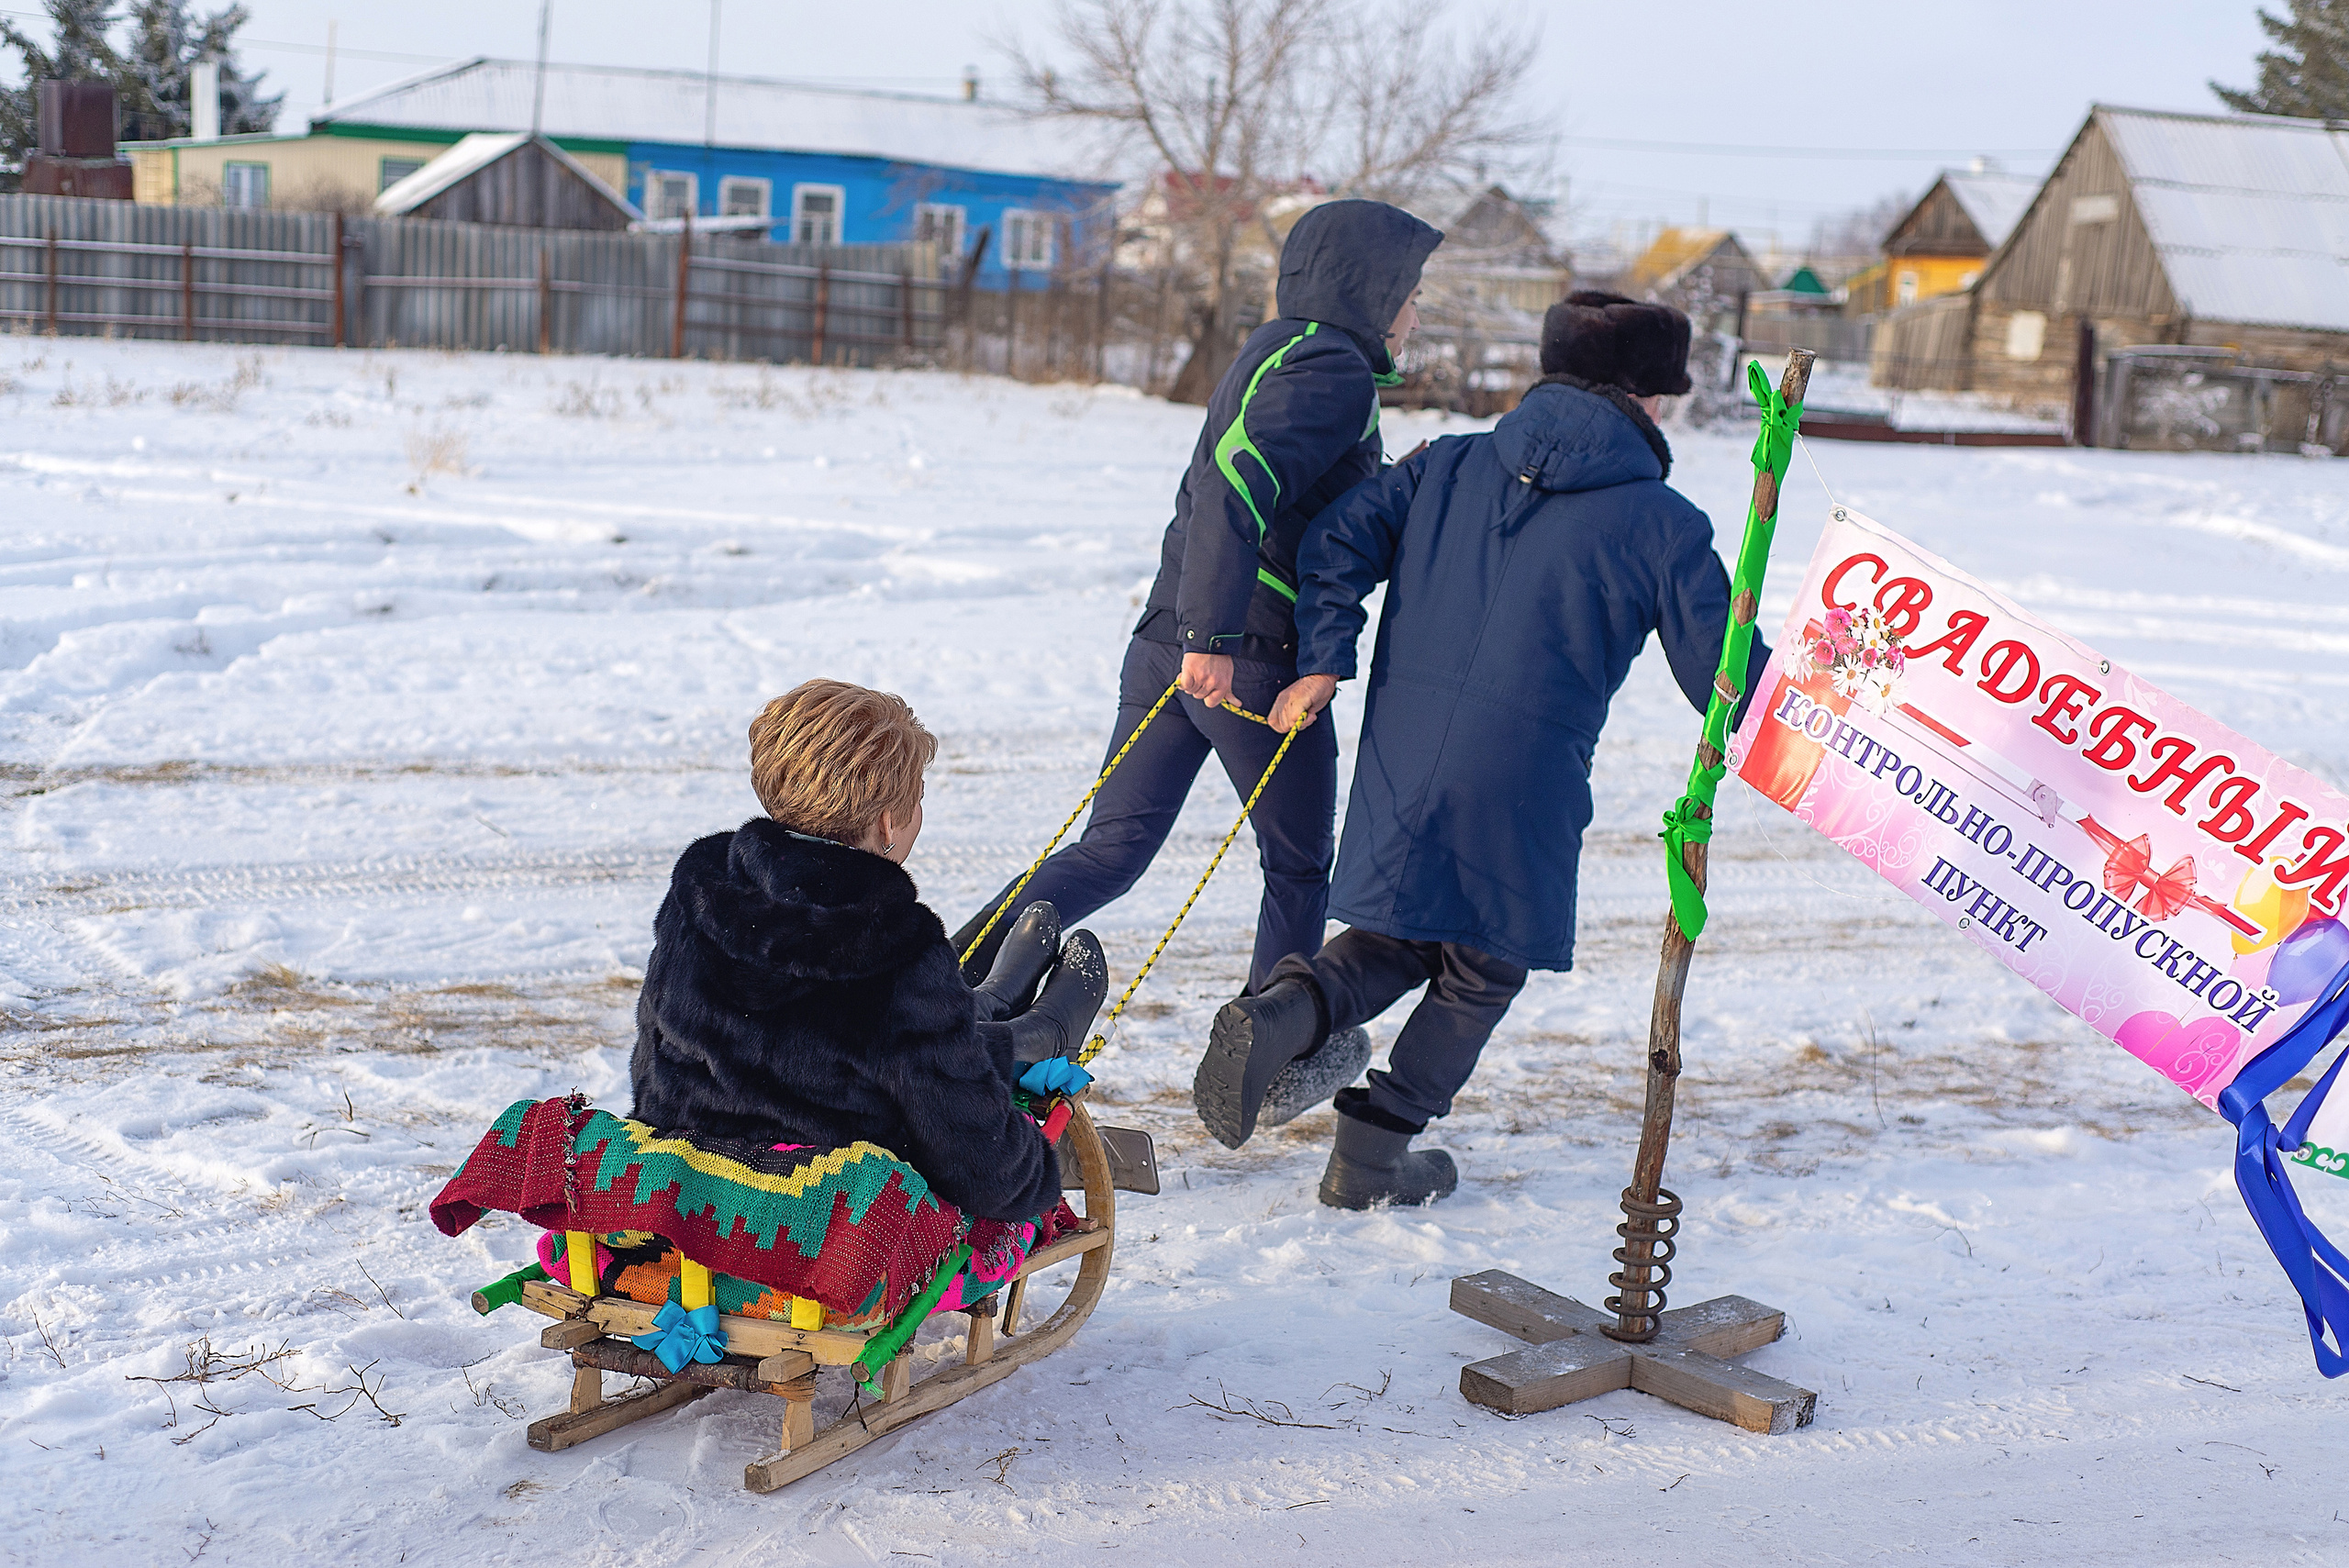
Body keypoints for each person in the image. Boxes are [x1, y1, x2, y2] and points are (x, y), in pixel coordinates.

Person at [1189, 291, 1772, 1208]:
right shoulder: (1665, 523)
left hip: (1404, 752)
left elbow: (1336, 538)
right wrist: (1826, 700)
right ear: (1647, 397)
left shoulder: (1444, 465)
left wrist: (1328, 653)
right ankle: (1373, 1151)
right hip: (1523, 777)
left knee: (1396, 935)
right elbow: (1725, 681)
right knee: (1483, 962)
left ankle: (1282, 1014)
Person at [952, 200, 1444, 1029]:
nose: (1415, 316)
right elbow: (1235, 484)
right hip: (1244, 654)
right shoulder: (1335, 371)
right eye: (1410, 294)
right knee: (1298, 867)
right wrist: (1213, 638)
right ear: (1370, 291)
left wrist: (1389, 483)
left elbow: (1285, 491)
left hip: (1167, 642)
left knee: (1109, 852)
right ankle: (1266, 1042)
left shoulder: (1277, 346)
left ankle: (943, 984)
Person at [629, 678, 1108, 1223]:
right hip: (829, 1216)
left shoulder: (703, 887)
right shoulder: (891, 943)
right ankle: (1032, 1035)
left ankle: (989, 1013)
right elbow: (986, 1173)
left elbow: (653, 1054)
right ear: (886, 823)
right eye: (917, 800)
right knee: (928, 1054)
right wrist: (1035, 1171)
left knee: (905, 1037)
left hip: (686, 1188)